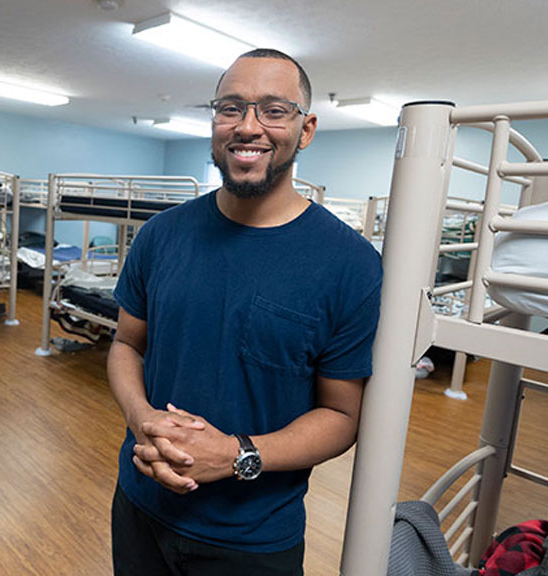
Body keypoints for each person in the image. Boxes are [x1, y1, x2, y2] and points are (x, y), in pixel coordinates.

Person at [108, 48, 383, 575]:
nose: (248, 126)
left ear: (306, 130)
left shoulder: (349, 265)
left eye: (274, 110)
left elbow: (342, 416)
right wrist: (141, 418)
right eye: (230, 108)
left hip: (252, 539)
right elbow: (126, 345)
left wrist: (237, 454)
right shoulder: (160, 236)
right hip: (141, 502)